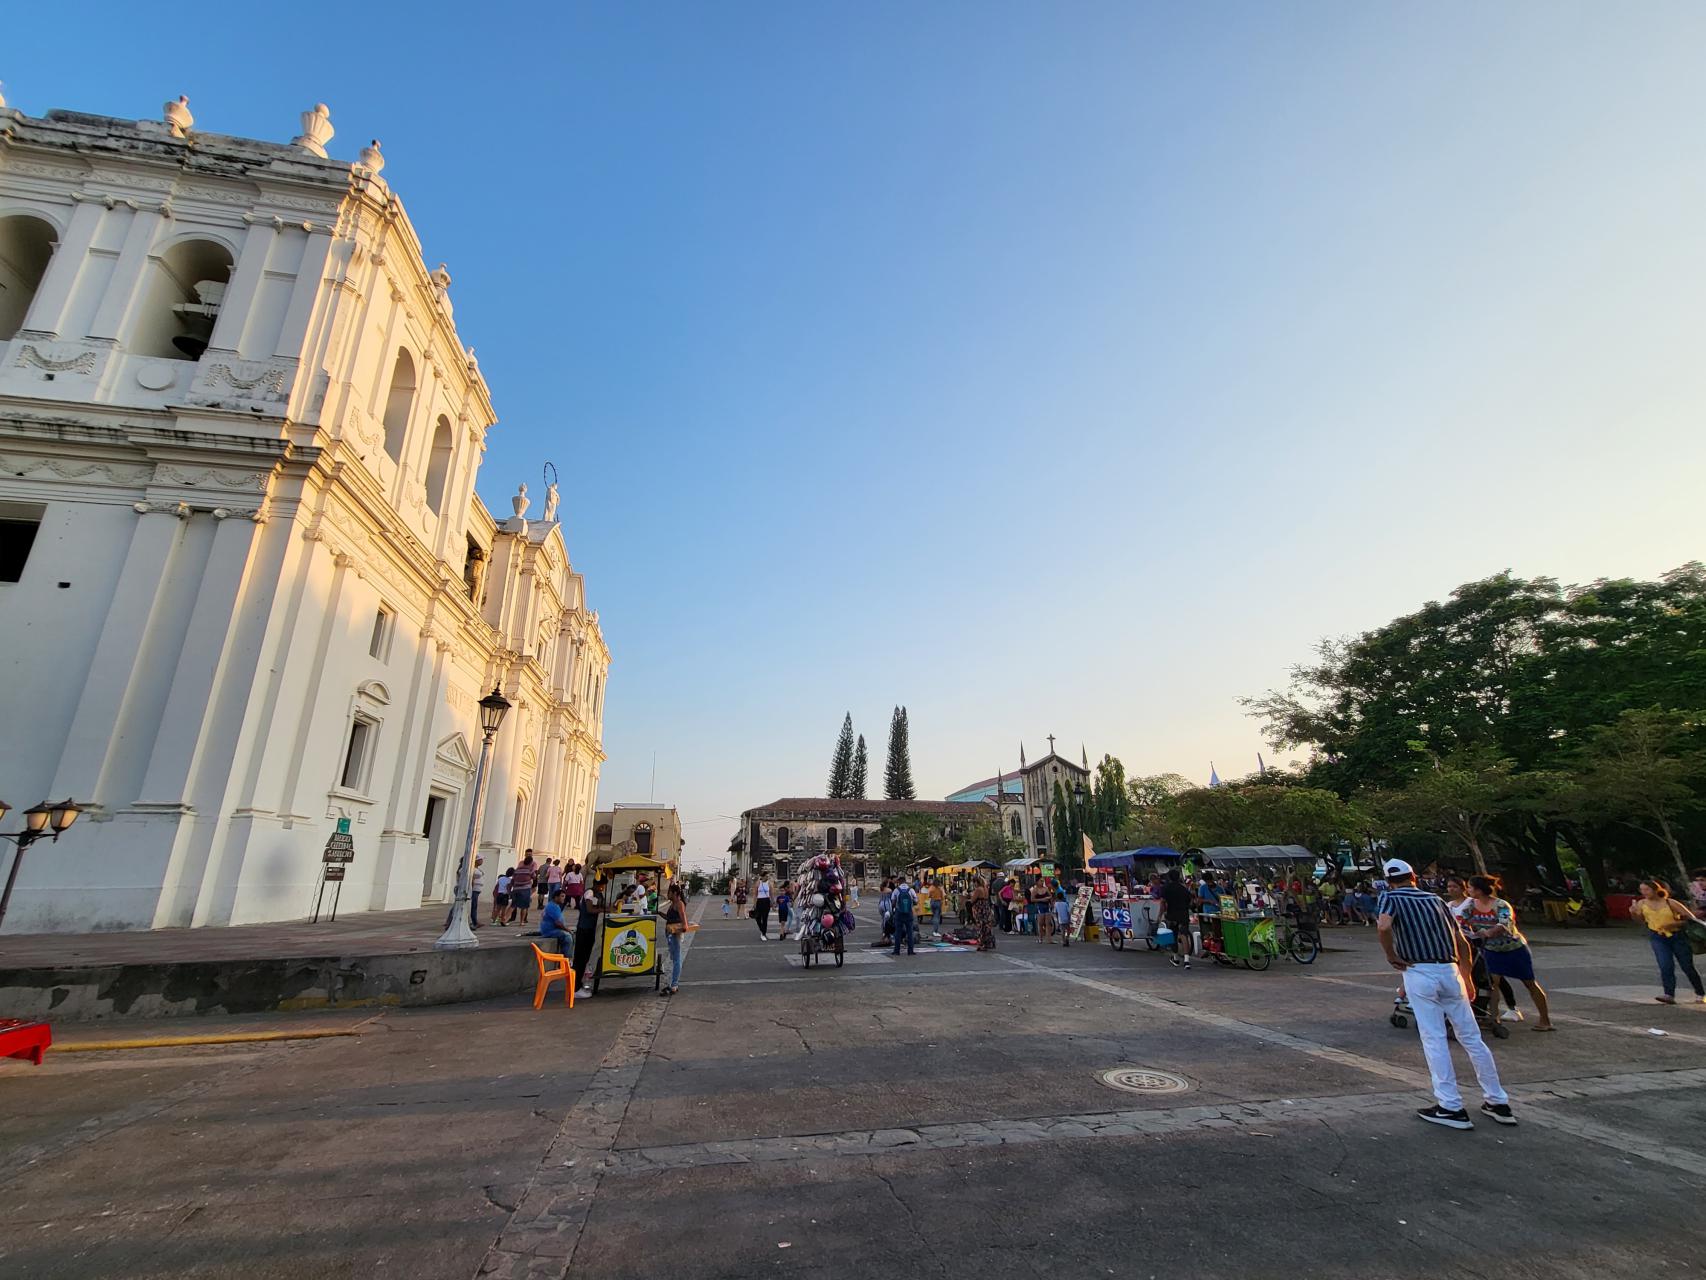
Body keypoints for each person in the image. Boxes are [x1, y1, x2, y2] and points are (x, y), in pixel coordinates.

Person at [1377, 859, 1514, 1129]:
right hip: (1450, 971)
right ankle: (1498, 1101)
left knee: (1434, 1038)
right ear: (1413, 875)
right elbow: (1461, 940)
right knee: (1472, 1038)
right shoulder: (1436, 901)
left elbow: (1384, 926)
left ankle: (1450, 1105)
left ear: (1389, 881)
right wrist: (1465, 977)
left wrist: (1392, 956)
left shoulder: (1390, 897)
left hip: (1419, 971)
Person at [1461, 874, 1553, 1031]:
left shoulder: (1501, 905)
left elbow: (1504, 924)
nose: (1467, 890)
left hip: (1514, 949)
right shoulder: (1470, 906)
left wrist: (1488, 932)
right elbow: (1461, 922)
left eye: (1470, 887)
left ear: (1479, 890)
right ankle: (1494, 1019)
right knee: (1493, 984)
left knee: (1529, 982)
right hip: (1491, 950)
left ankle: (1545, 1020)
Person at [1629, 879, 1705, 1004]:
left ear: (1655, 889)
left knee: (1687, 966)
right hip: (1657, 936)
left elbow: (1691, 919)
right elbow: (1640, 920)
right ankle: (1669, 994)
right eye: (1642, 890)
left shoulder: (1670, 903)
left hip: (1677, 936)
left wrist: (1675, 923)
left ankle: (1700, 992)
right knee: (1665, 965)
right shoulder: (1642, 903)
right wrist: (1633, 912)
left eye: (1647, 889)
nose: (1644, 892)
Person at [573, 877, 606, 999]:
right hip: (584, 929)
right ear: (597, 885)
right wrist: (604, 910)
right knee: (580, 960)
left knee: (585, 958)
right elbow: (590, 909)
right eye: (602, 886)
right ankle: (575, 988)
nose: (603, 889)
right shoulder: (590, 893)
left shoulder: (598, 895)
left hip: (590, 929)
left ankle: (579, 985)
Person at [1160, 869, 1194, 970]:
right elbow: (1190, 902)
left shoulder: (1166, 888)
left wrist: (1159, 916)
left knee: (1173, 936)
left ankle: (1175, 958)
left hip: (1172, 915)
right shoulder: (1183, 889)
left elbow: (1163, 903)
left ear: (1169, 877)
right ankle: (1187, 960)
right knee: (1184, 935)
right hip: (1183, 914)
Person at [661, 881, 688, 995]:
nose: (668, 894)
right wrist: (658, 913)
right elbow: (669, 917)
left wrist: (685, 926)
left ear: (675, 893)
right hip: (670, 933)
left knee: (676, 959)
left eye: (669, 892)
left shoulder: (679, 904)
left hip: (675, 934)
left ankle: (674, 984)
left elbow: (683, 916)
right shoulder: (672, 904)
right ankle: (673, 982)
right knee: (673, 957)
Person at [539, 888, 573, 956]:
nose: (564, 898)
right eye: (562, 896)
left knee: (571, 934)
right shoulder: (552, 906)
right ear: (556, 897)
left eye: (564, 896)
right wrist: (567, 929)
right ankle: (566, 958)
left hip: (554, 929)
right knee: (567, 936)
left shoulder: (555, 906)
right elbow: (557, 923)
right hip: (550, 931)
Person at [890, 875, 918, 956]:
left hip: (899, 913)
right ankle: (910, 951)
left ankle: (896, 951)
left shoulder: (896, 890)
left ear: (899, 882)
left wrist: (895, 907)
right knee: (910, 932)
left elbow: (893, 902)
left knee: (898, 932)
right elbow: (916, 901)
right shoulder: (911, 890)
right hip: (909, 913)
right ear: (905, 881)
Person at [510, 854, 537, 925]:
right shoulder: (530, 869)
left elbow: (513, 878)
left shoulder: (518, 869)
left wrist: (513, 886)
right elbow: (534, 877)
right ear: (531, 863)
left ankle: (504, 918)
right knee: (524, 906)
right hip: (525, 889)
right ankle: (522, 921)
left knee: (513, 905)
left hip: (516, 888)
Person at [970, 876, 996, 951]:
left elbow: (972, 900)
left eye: (974, 882)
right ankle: (987, 943)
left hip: (980, 909)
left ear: (976, 882)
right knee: (986, 927)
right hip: (986, 908)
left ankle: (981, 944)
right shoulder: (985, 889)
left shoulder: (978, 889)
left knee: (980, 927)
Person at [753, 874, 773, 939]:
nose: (767, 877)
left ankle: (763, 933)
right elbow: (755, 894)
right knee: (757, 917)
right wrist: (754, 903)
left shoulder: (769, 883)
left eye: (768, 876)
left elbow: (771, 894)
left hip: (766, 900)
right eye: (766, 876)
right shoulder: (758, 883)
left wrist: (772, 902)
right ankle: (762, 929)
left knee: (765, 918)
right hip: (759, 900)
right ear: (763, 877)